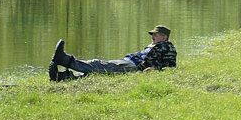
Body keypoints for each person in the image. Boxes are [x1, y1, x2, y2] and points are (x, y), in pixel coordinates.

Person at [48, 25, 177, 81]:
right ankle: (61, 77)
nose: (152, 36)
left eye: (155, 34)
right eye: (152, 34)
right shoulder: (155, 45)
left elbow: (171, 66)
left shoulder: (167, 47)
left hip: (134, 66)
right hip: (129, 61)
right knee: (98, 71)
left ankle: (64, 60)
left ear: (164, 37)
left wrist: (155, 69)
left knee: (99, 65)